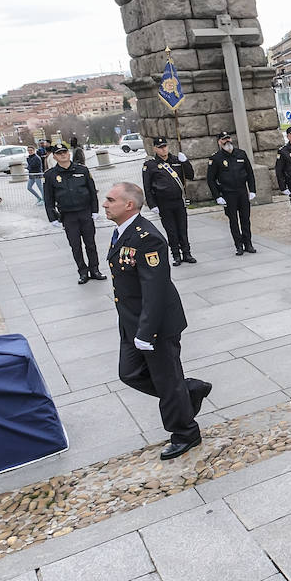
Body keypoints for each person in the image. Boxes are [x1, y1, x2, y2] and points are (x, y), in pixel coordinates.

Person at [102, 181, 212, 460]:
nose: (104, 204)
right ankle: (189, 390)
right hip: (132, 321)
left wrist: (146, 332)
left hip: (155, 325)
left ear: (129, 205)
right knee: (129, 373)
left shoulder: (147, 238)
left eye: (110, 200)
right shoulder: (122, 231)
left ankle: (185, 433)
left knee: (166, 379)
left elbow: (155, 289)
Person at [44, 143, 105, 285]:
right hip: (68, 215)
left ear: (69, 153)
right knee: (75, 246)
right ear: (54, 157)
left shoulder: (82, 170)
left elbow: (92, 191)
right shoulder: (50, 175)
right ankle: (83, 272)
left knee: (90, 243)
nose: (63, 155)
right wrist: (52, 217)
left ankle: (95, 269)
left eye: (64, 152)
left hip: (85, 212)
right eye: (59, 153)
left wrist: (95, 210)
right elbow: (48, 198)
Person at [141, 138, 195, 265]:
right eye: (160, 147)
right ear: (155, 149)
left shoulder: (176, 160)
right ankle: (176, 255)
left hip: (179, 201)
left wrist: (185, 162)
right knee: (171, 231)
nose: (163, 149)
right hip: (163, 203)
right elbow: (147, 187)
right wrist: (152, 204)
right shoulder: (150, 165)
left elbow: (190, 175)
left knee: (182, 229)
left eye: (165, 146)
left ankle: (186, 253)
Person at [205, 131, 257, 256]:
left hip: (242, 191)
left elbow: (250, 173)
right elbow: (210, 179)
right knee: (233, 220)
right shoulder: (215, 158)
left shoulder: (241, 154)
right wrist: (217, 196)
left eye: (228, 138)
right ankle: (238, 245)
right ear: (219, 142)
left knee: (245, 219)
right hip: (228, 193)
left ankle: (248, 243)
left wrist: (252, 190)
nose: (227, 141)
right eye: (224, 139)